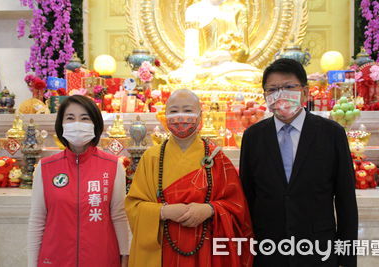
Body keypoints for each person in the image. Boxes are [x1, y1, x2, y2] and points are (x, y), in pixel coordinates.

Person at [240, 59, 358, 267]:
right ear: (266, 96)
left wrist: (347, 260)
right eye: (273, 89)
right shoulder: (253, 137)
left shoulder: (331, 134)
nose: (280, 94)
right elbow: (247, 197)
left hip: (318, 250)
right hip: (268, 251)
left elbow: (345, 200)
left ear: (305, 92)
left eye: (288, 87)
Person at [126, 89, 253, 267]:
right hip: (163, 248)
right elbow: (134, 206)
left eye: (187, 111)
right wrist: (163, 212)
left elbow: (237, 206)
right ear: (165, 116)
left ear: (200, 116)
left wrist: (209, 210)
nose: (180, 117)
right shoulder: (152, 157)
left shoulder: (216, 158)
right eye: (173, 111)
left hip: (206, 247)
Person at [27, 95, 131, 267]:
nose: (77, 123)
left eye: (84, 118)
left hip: (102, 258)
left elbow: (119, 216)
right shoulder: (45, 167)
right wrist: (32, 263)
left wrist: (125, 256)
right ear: (61, 125)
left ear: (95, 124)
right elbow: (38, 219)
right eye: (70, 118)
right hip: (55, 258)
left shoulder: (113, 166)